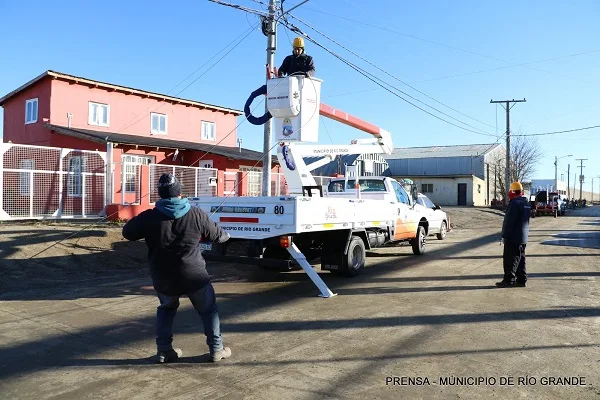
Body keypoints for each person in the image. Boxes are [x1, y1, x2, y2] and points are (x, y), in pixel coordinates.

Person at [122, 173, 232, 363]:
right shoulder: (196, 213)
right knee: (208, 310)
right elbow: (220, 237)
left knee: (166, 308)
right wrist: (224, 234)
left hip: (163, 276)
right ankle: (216, 349)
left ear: (160, 194)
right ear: (180, 192)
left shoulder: (150, 216)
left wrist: (147, 222)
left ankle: (164, 351)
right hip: (194, 275)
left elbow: (128, 232)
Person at [497, 181, 530, 288]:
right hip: (523, 237)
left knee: (510, 260)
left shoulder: (515, 203)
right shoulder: (526, 203)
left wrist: (504, 235)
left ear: (512, 192)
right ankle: (521, 279)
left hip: (513, 237)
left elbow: (509, 221)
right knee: (521, 260)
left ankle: (509, 280)